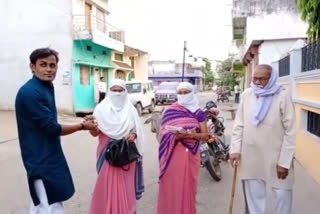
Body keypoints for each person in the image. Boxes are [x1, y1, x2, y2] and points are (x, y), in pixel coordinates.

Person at [15, 48, 97, 214]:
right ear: (32, 67)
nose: (49, 69)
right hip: (41, 161)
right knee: (50, 206)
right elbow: (52, 128)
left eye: (52, 65)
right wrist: (82, 126)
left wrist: (80, 121)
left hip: (48, 156)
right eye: (43, 64)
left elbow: (50, 121)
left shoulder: (44, 87)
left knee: (42, 206)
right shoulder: (31, 92)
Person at [230, 64, 296, 214]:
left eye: (262, 79)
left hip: (276, 157)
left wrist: (284, 162)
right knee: (254, 198)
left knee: (282, 195)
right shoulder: (247, 94)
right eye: (255, 78)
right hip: (251, 156)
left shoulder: (282, 96)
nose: (257, 82)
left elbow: (290, 131)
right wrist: (235, 150)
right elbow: (239, 124)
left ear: (271, 78)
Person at [88, 79, 145, 214]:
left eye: (120, 91)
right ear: (109, 92)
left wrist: (134, 135)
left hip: (126, 155)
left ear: (125, 92)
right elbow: (95, 133)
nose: (117, 93)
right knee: (107, 187)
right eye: (114, 90)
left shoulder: (131, 110)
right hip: (107, 155)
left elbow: (137, 130)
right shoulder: (100, 109)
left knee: (126, 187)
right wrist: (90, 126)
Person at [157, 82, 211, 214]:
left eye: (185, 92)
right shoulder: (170, 111)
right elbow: (162, 133)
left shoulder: (199, 113)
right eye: (180, 93)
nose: (182, 95)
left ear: (192, 93)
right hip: (172, 153)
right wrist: (175, 136)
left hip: (191, 155)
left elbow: (206, 135)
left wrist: (191, 135)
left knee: (187, 188)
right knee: (171, 186)